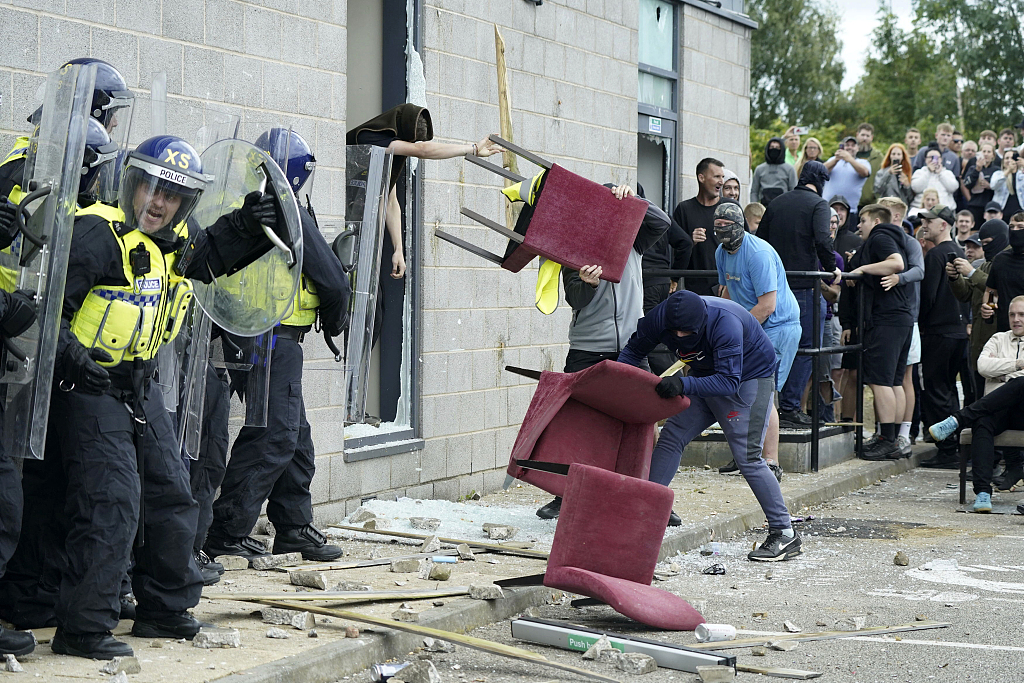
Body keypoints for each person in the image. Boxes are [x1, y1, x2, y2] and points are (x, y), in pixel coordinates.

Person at [41, 134, 283, 659]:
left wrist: (248, 224)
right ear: (131, 183)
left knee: (173, 494)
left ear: (184, 203)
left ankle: (164, 609)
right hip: (85, 385)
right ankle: (82, 629)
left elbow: (209, 255)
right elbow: (47, 306)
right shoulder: (97, 234)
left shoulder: (176, 241)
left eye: (171, 195)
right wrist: (70, 354)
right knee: (112, 502)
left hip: (139, 386)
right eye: (150, 187)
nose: (158, 202)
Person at [207, 130, 350, 563]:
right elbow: (333, 281)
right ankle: (226, 531)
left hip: (249, 336)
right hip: (275, 339)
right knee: (274, 436)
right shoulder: (288, 211)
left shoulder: (241, 206)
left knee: (295, 436)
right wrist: (337, 320)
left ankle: (294, 527)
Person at [617, 290, 802, 562]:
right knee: (672, 436)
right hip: (704, 375)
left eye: (687, 332)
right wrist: (622, 386)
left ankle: (785, 533)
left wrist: (683, 384)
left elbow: (729, 381)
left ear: (701, 322)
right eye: (674, 332)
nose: (680, 337)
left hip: (748, 377)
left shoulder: (725, 323)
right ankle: (647, 510)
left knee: (748, 458)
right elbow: (632, 353)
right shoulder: (658, 318)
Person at [535, 184, 671, 520]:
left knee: (642, 421)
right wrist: (589, 284)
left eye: (612, 209)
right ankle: (564, 494)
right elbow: (575, 300)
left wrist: (633, 199)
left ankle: (647, 496)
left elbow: (662, 222)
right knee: (574, 423)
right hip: (587, 349)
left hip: (631, 348)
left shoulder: (634, 242)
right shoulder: (575, 248)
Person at [347, 104, 502, 280]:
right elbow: (422, 151)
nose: (410, 145)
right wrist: (472, 148)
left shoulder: (390, 153)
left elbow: (390, 201)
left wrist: (398, 249)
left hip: (360, 233)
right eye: (410, 140)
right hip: (343, 225)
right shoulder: (371, 137)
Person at [712, 200, 797, 481]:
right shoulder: (721, 252)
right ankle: (746, 455)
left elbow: (767, 306)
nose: (722, 233)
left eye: (727, 228)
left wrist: (734, 333)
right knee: (741, 391)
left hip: (776, 326)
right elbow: (727, 291)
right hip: (749, 325)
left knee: (764, 393)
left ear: (740, 227)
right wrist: (716, 323)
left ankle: (770, 461)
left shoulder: (757, 253)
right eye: (718, 228)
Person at [756, 161, 840, 427]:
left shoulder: (777, 203)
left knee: (770, 346)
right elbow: (823, 239)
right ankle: (791, 408)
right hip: (803, 287)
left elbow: (761, 240)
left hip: (773, 287)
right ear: (821, 182)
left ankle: (766, 406)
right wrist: (831, 269)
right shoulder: (818, 205)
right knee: (805, 347)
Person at [928, 307, 1024, 514]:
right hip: (996, 410)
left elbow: (999, 371)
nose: (1016, 319)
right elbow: (983, 366)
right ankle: (982, 493)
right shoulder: (998, 338)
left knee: (1020, 384)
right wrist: (1018, 364)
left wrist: (1005, 374)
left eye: (1022, 315)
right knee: (982, 421)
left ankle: (958, 419)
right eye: (1012, 315)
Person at [842, 204, 912, 460]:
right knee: (893, 381)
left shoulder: (881, 236)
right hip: (899, 319)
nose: (858, 225)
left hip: (887, 320)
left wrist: (861, 269)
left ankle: (888, 440)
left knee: (881, 380)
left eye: (862, 220)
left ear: (876, 220)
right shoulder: (888, 238)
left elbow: (896, 263)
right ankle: (889, 438)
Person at [914, 205, 968, 469]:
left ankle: (947, 450)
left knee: (936, 390)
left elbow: (928, 297)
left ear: (944, 225)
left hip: (939, 332)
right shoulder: (958, 252)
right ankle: (953, 445)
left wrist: (919, 323)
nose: (925, 224)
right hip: (958, 333)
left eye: (929, 220)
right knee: (947, 391)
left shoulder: (937, 254)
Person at [877, 196, 924, 456]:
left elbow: (919, 271)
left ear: (896, 216)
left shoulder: (909, 242)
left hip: (908, 319)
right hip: (887, 320)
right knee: (887, 377)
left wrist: (898, 277)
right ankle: (887, 432)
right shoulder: (883, 243)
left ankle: (903, 435)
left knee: (904, 376)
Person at [674, 158, 724, 297]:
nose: (721, 181)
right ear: (701, 178)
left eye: (722, 177)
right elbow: (673, 252)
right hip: (696, 290)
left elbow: (745, 246)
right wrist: (690, 241)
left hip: (727, 288)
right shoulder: (684, 209)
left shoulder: (730, 208)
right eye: (716, 176)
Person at [982, 212, 1024, 331]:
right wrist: (986, 307)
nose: (1015, 231)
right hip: (1005, 333)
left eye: (1020, 227)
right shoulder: (1001, 260)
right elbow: (990, 292)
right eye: (1011, 227)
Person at [823, 136, 870, 208]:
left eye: (853, 145)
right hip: (828, 206)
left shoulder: (863, 162)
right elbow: (821, 170)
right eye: (847, 145)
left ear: (858, 148)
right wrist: (836, 160)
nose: (850, 147)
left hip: (850, 209)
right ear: (842, 147)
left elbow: (865, 173)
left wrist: (849, 159)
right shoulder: (833, 160)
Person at [751, 138, 796, 207]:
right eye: (772, 147)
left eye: (777, 147)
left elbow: (793, 191)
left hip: (783, 207)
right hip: (764, 207)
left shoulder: (789, 169)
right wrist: (754, 207)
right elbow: (754, 192)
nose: (774, 149)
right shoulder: (759, 169)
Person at [963, 143, 998, 226]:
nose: (986, 154)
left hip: (991, 207)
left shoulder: (996, 170)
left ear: (993, 155)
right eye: (984, 151)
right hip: (975, 205)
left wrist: (989, 186)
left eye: (989, 152)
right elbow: (967, 184)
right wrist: (977, 170)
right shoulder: (973, 168)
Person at [855, 123, 884, 210]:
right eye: (862, 135)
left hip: (871, 203)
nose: (865, 138)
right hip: (851, 202)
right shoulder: (850, 155)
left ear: (872, 137)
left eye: (867, 136)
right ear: (857, 135)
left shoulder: (878, 157)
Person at [830, 195, 862, 261]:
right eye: (834, 209)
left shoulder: (857, 241)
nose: (838, 213)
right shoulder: (819, 238)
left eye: (842, 209)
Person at [992, 150, 1023, 218]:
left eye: (1012, 158)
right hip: (1002, 211)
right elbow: (993, 186)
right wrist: (1008, 171)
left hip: (1020, 211)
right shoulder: (998, 174)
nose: (1010, 160)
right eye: (1007, 158)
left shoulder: (1022, 175)